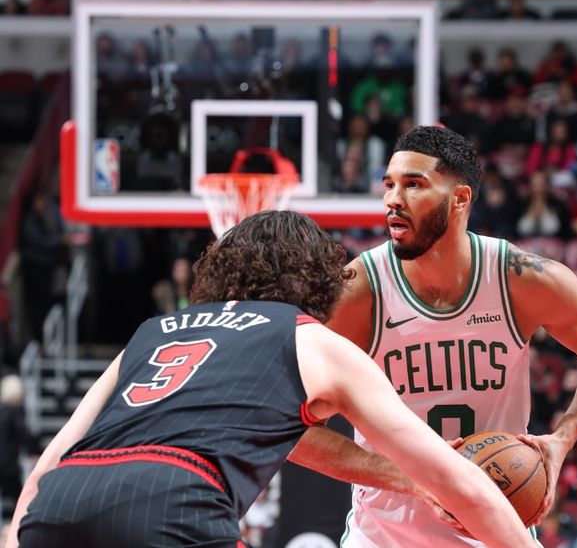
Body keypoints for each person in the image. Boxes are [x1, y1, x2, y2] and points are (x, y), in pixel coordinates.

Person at [6, 211, 536, 548]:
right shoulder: (312, 339)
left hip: (60, 505)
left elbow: (54, 458)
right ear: (321, 281)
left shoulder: (152, 332)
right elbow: (458, 479)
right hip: (175, 500)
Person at [316, 126, 577, 546]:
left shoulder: (523, 279)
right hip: (384, 537)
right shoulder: (357, 291)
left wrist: (562, 440)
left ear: (461, 198)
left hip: (497, 531)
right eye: (390, 185)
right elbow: (281, 421)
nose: (393, 199)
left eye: (414, 185)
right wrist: (405, 476)